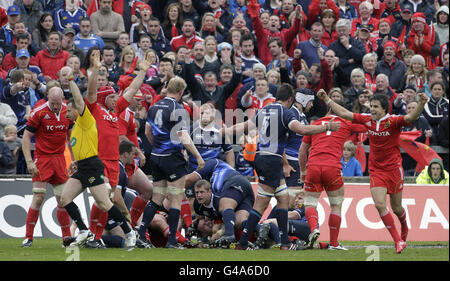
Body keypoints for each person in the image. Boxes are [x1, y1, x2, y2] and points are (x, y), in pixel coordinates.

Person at [224, 83, 341, 250]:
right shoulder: (285, 113)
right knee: (261, 203)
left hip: (264, 158)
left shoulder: (264, 110)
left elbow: (244, 127)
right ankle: (243, 242)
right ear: (290, 99)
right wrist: (327, 127)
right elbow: (302, 130)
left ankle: (285, 242)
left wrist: (224, 131)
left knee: (283, 198)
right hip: (272, 161)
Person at [316, 87, 429, 254]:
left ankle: (404, 226)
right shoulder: (367, 119)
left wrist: (421, 103)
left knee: (397, 208)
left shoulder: (393, 121)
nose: (372, 109)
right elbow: (345, 114)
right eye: (372, 106)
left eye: (376, 107)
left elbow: (412, 116)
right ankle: (398, 240)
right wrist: (327, 99)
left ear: (385, 109)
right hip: (376, 170)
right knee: (379, 204)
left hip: (394, 169)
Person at [59, 66, 136, 250]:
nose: (66, 114)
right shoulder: (76, 126)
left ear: (77, 110)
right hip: (83, 167)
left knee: (104, 202)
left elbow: (79, 98)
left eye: (69, 110)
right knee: (65, 198)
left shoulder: (85, 118)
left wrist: (70, 79)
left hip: (93, 166)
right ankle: (84, 231)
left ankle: (129, 232)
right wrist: (76, 161)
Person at [138, 76, 205, 249]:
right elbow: (183, 136)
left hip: (156, 157)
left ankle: (140, 233)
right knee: (176, 199)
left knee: (157, 197)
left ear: (167, 89)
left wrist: (158, 147)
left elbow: (147, 132)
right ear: (181, 92)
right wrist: (197, 156)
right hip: (172, 159)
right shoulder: (178, 108)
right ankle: (171, 241)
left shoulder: (154, 107)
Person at [298, 94, 366, 250]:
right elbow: (366, 125)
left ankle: (314, 229)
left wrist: (303, 171)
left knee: (310, 203)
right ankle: (334, 244)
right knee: (336, 206)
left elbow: (302, 151)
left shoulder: (315, 124)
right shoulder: (346, 123)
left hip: (314, 167)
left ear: (328, 109)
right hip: (333, 168)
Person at [20, 85, 73, 247]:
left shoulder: (67, 112)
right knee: (38, 197)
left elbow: (71, 138)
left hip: (59, 159)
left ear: (62, 99)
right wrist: (29, 161)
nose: (56, 106)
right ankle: (28, 237)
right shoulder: (39, 112)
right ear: (47, 98)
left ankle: (66, 238)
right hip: (42, 159)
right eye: (53, 102)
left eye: (58, 103)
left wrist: (75, 159)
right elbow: (26, 137)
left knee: (62, 200)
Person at [186, 159, 256, 248]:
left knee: (225, 207)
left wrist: (174, 189)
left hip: (235, 181)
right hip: (245, 191)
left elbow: (189, 178)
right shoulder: (201, 202)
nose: (199, 195)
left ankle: (229, 236)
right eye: (197, 193)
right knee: (239, 221)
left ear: (208, 192)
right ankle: (261, 228)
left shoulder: (213, 163)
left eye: (201, 192)